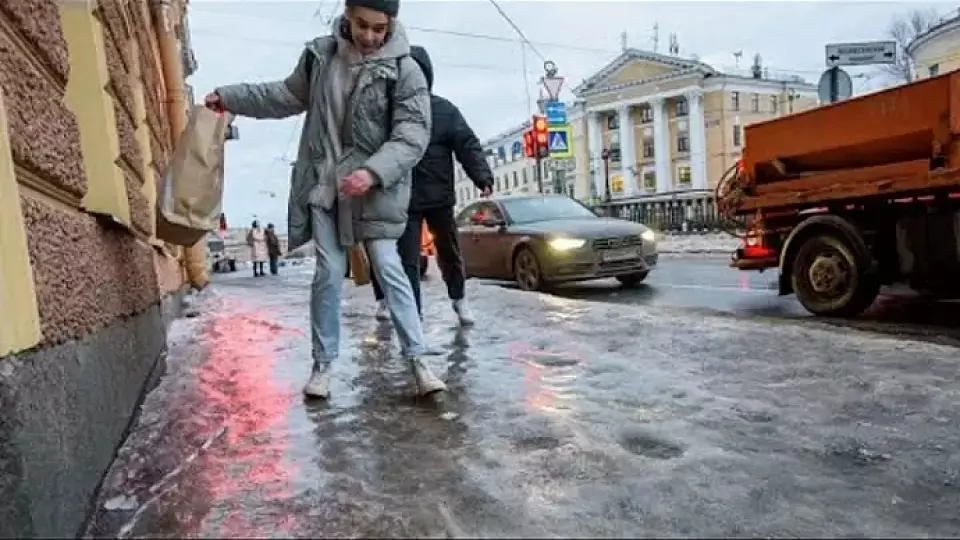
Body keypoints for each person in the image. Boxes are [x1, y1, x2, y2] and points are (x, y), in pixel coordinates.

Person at [204, 0, 444, 400]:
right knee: (328, 274)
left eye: (379, 28)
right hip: (325, 183)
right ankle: (323, 366)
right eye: (362, 25)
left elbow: (412, 134)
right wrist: (230, 97)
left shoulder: (406, 69)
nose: (370, 36)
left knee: (389, 266)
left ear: (391, 25)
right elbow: (283, 95)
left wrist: (372, 172)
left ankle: (418, 361)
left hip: (377, 188)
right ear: (348, 15)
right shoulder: (321, 57)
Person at [368, 45, 494, 326]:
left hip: (439, 197)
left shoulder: (444, 110)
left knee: (449, 252)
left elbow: (467, 144)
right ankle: (413, 316)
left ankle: (459, 300)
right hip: (404, 200)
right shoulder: (388, 114)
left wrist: (481, 176)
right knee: (407, 260)